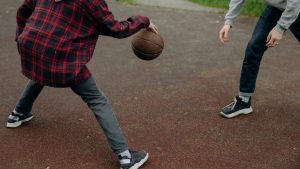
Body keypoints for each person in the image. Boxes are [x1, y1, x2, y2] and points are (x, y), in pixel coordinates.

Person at [7, 0, 158, 168]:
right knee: (97, 100)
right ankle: (126, 158)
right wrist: (144, 20)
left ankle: (18, 114)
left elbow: (23, 10)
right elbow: (115, 29)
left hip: (31, 47)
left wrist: (21, 36)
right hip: (60, 57)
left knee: (43, 68)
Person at [219, 0, 300, 118]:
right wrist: (228, 21)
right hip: (275, 9)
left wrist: (280, 27)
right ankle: (244, 101)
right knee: (254, 48)